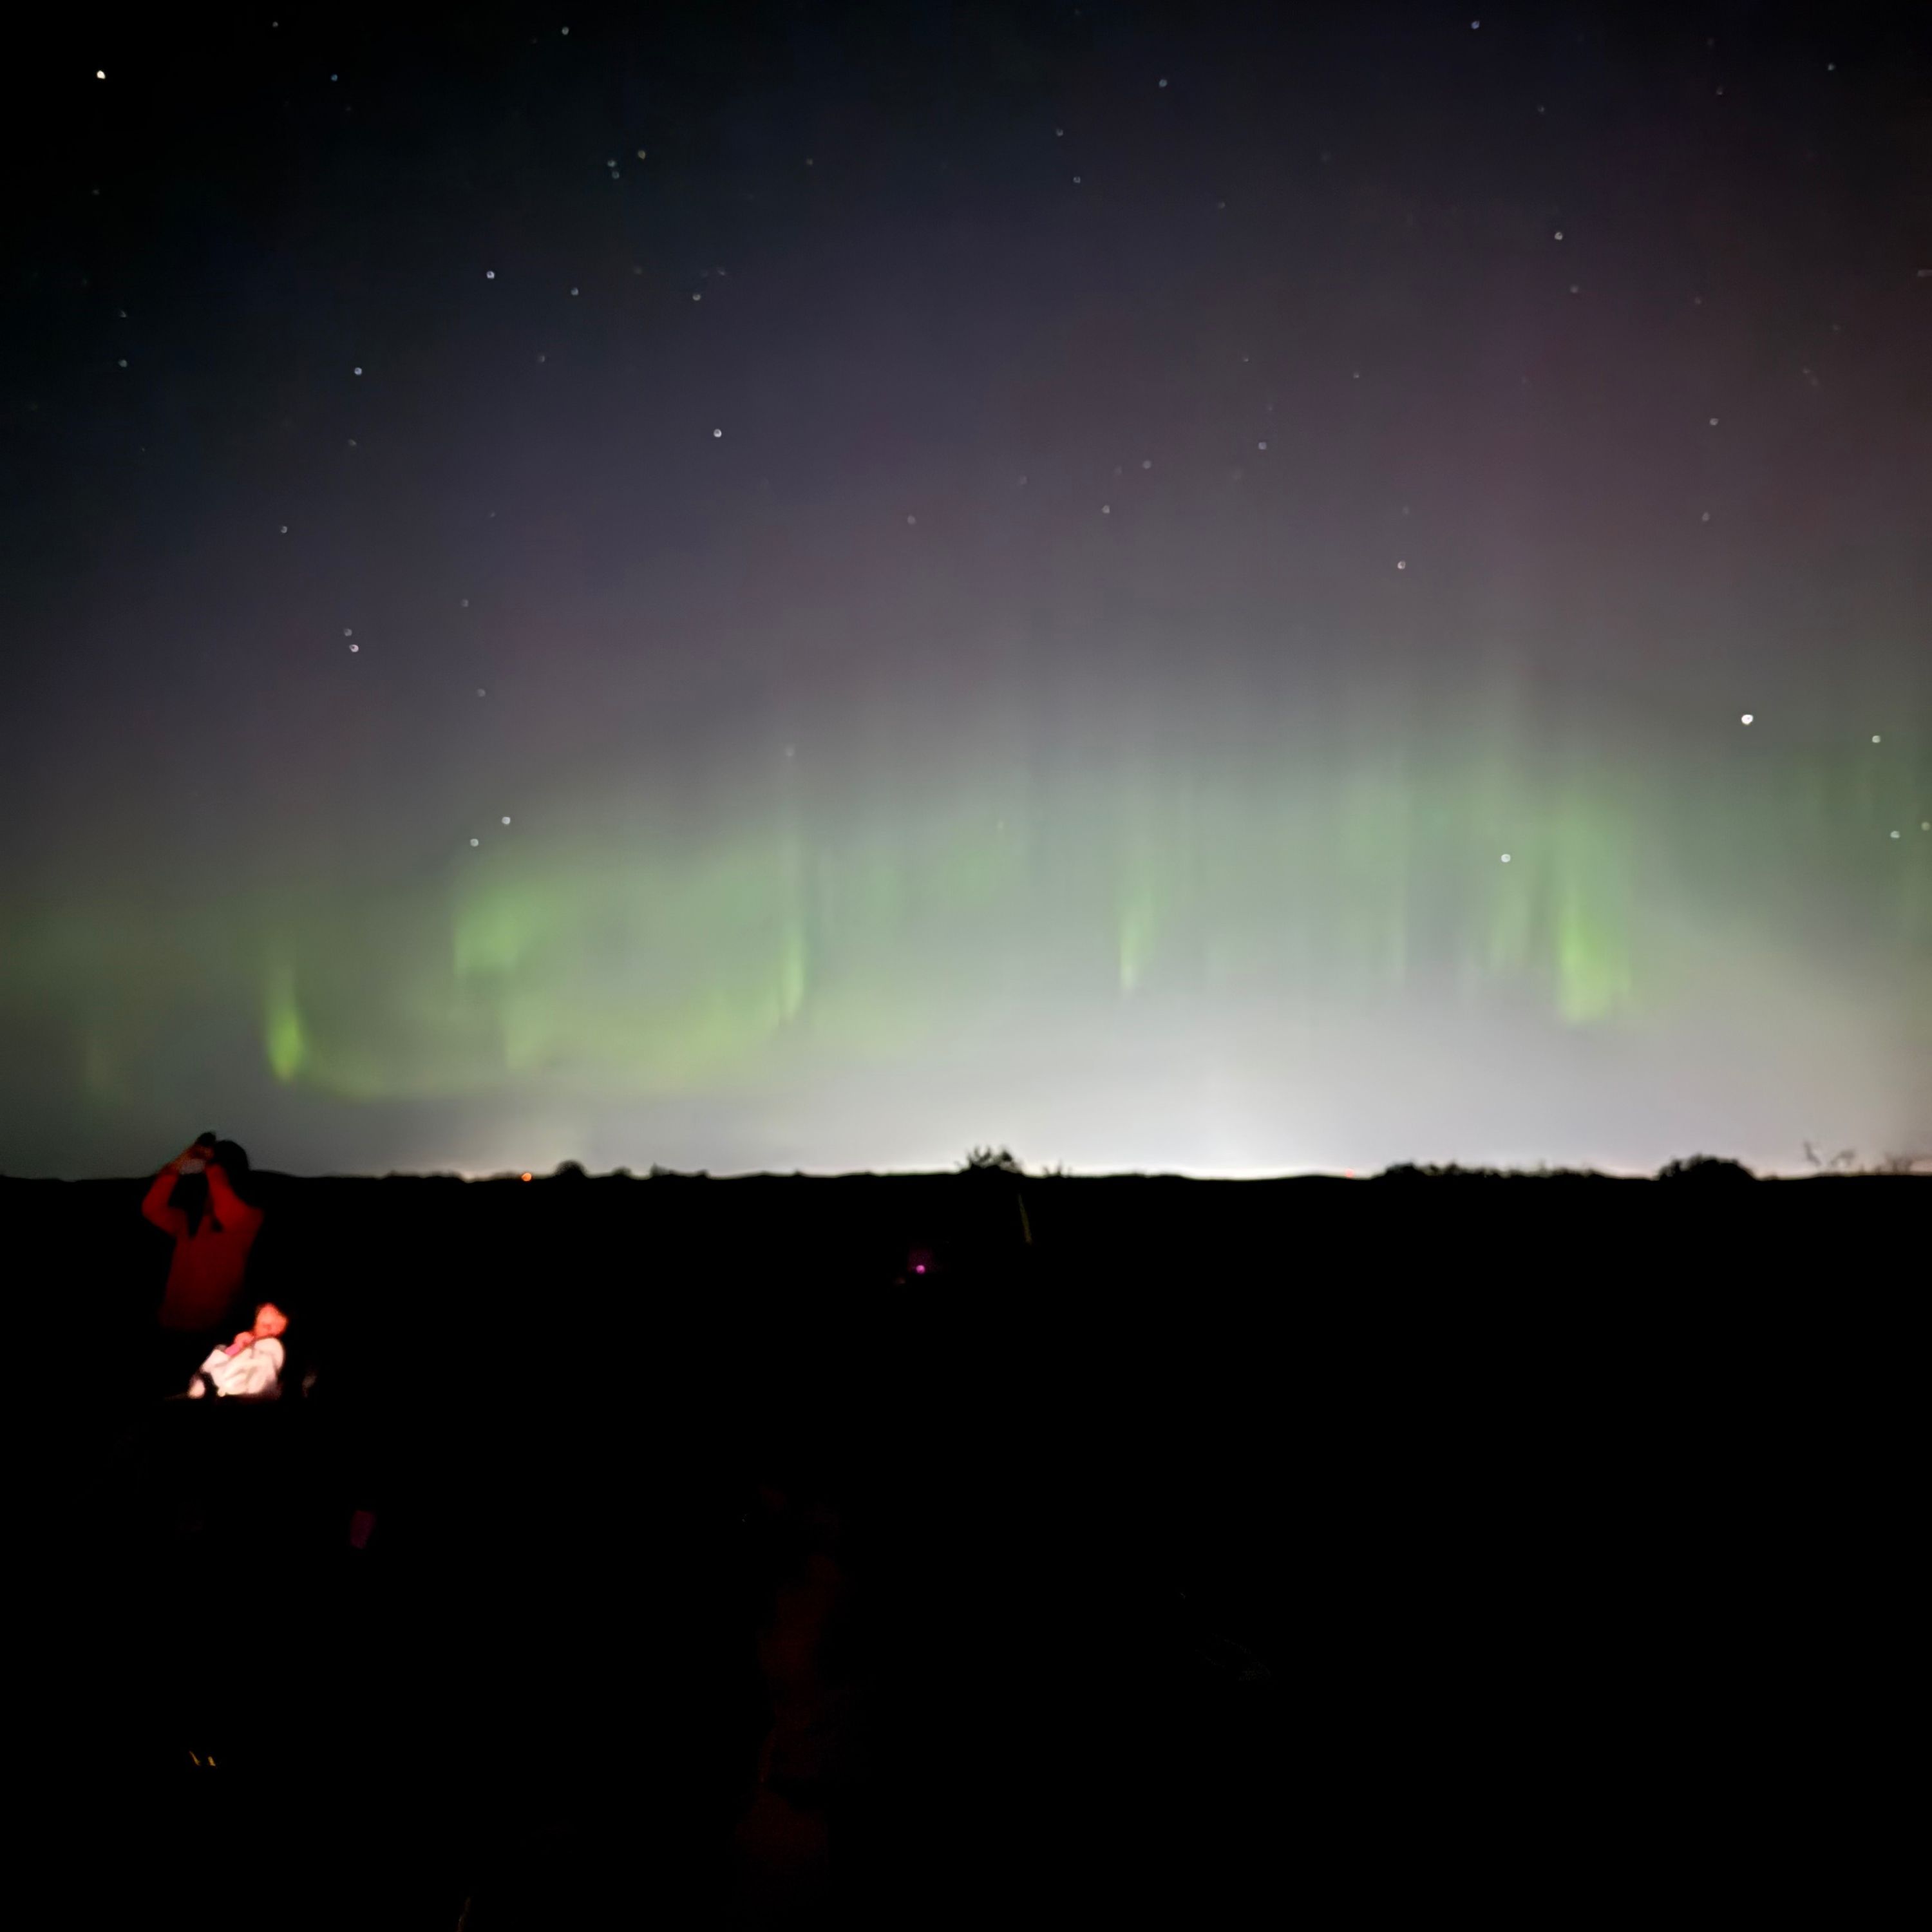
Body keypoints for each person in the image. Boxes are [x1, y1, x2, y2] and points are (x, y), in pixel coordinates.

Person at [141, 1135, 266, 1394]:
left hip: (212, 1331)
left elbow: (225, 1203)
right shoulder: (191, 1221)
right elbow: (152, 1208)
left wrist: (213, 1164)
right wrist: (182, 1161)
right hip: (171, 1323)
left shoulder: (248, 1218)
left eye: (217, 1172)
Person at [184, 1302, 289, 1403]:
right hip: (211, 1389)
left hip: (232, 1394)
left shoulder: (271, 1346)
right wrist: (238, 1347)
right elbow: (210, 1368)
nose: (270, 1315)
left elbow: (250, 1384)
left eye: (276, 1314)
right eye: (265, 1314)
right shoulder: (244, 1342)